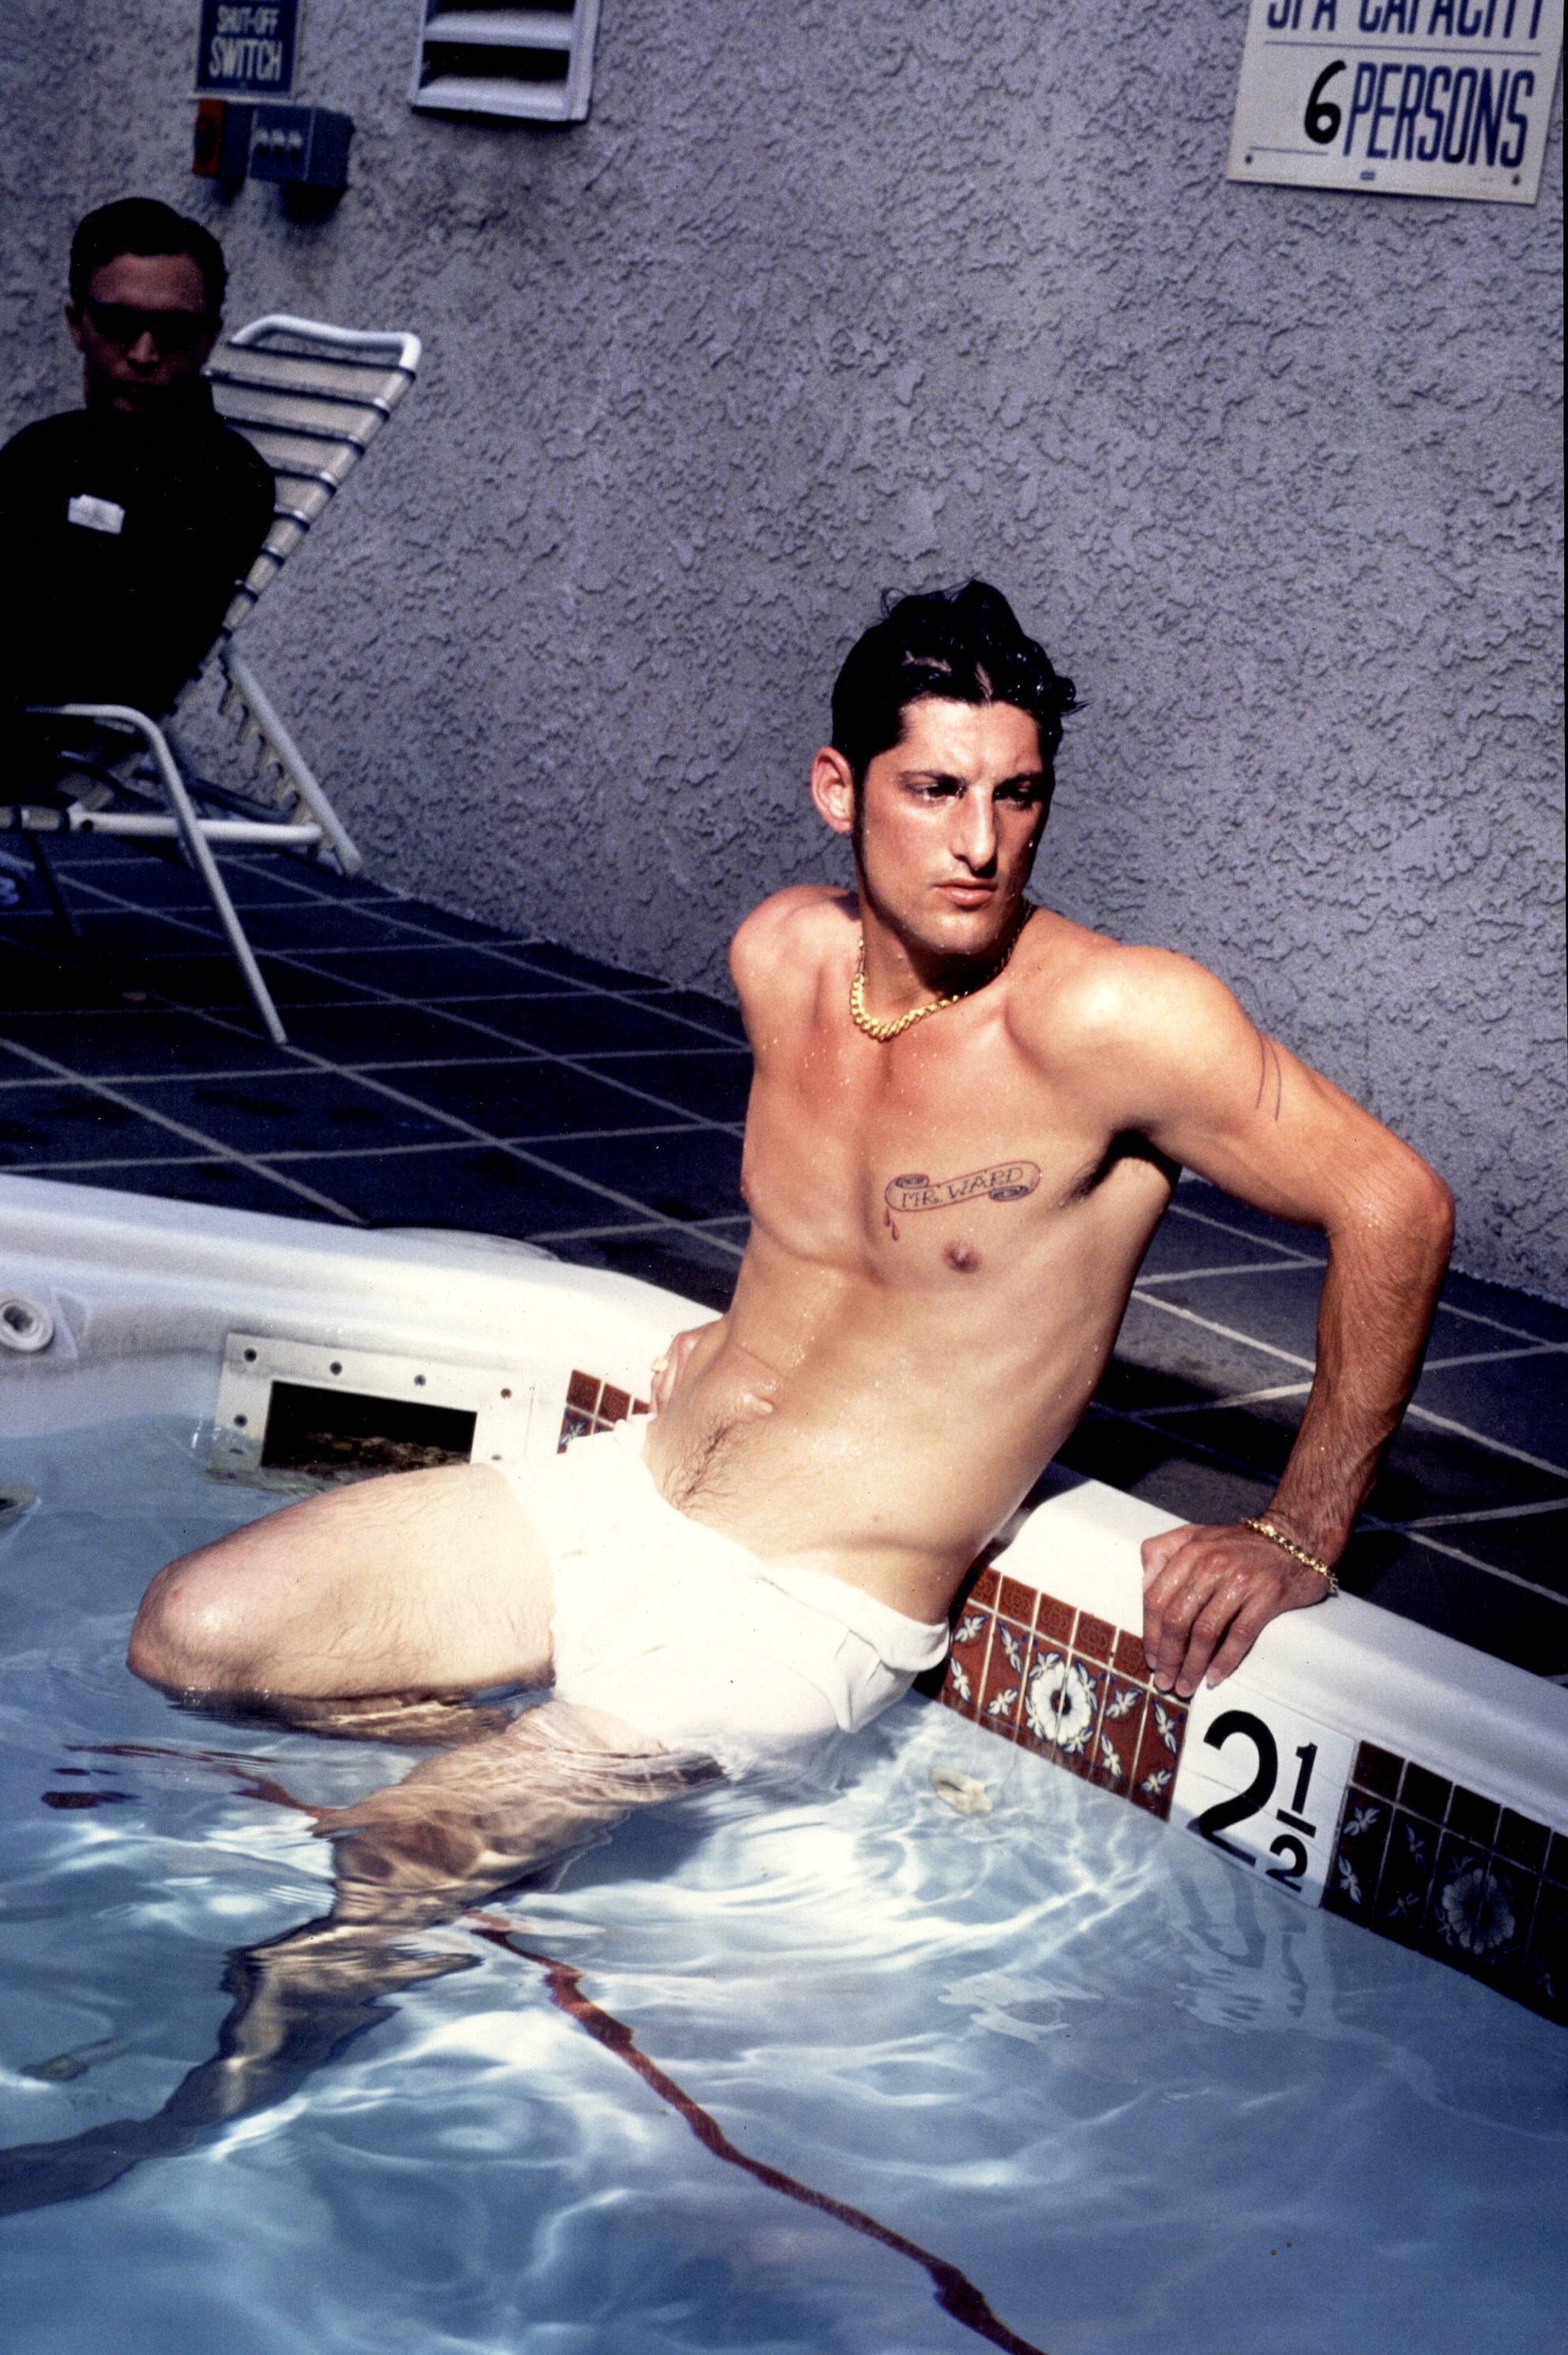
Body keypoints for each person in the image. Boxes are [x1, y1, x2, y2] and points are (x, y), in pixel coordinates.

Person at [1, 582, 1453, 2211]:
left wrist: (1303, 1529)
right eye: (935, 790)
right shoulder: (781, 955)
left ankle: (170, 2145)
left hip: (801, 1608)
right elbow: (847, 1244)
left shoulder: (1117, 1020)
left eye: (1017, 794)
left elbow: (1392, 1205)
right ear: (840, 791)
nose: (981, 841)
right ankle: (540, 1779)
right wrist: (744, 1348)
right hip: (628, 1495)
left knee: (406, 1848)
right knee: (192, 1632)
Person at [0, 197, 275, 733]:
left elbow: (131, 661)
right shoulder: (42, 452)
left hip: (46, 734)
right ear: (78, 325)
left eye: (173, 332)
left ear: (209, 340)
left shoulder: (223, 481)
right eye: (119, 324)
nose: (145, 354)